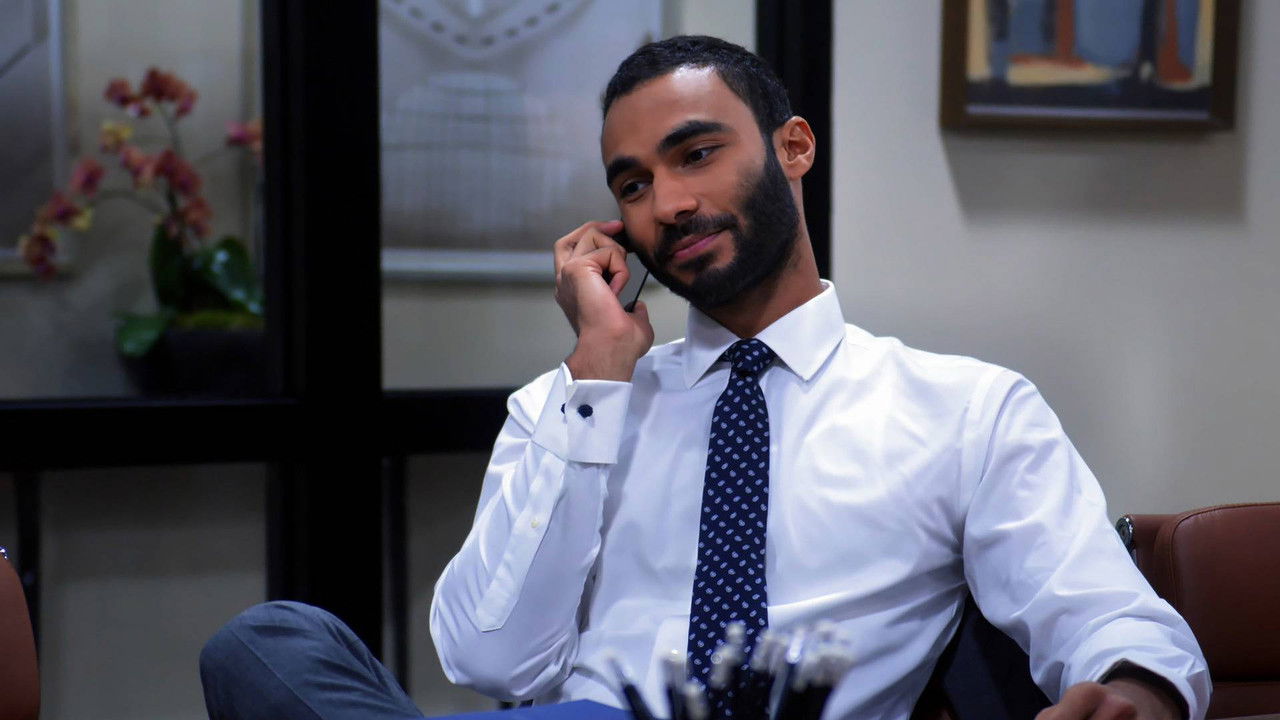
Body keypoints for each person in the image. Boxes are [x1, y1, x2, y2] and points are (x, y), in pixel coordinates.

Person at [199, 36, 1209, 720]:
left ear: (793, 147)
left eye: (695, 154)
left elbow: (1105, 612)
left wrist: (1138, 691)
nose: (667, 204)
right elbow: (490, 660)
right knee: (265, 644)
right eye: (633, 184)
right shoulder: (573, 407)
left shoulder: (962, 409)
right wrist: (596, 380)